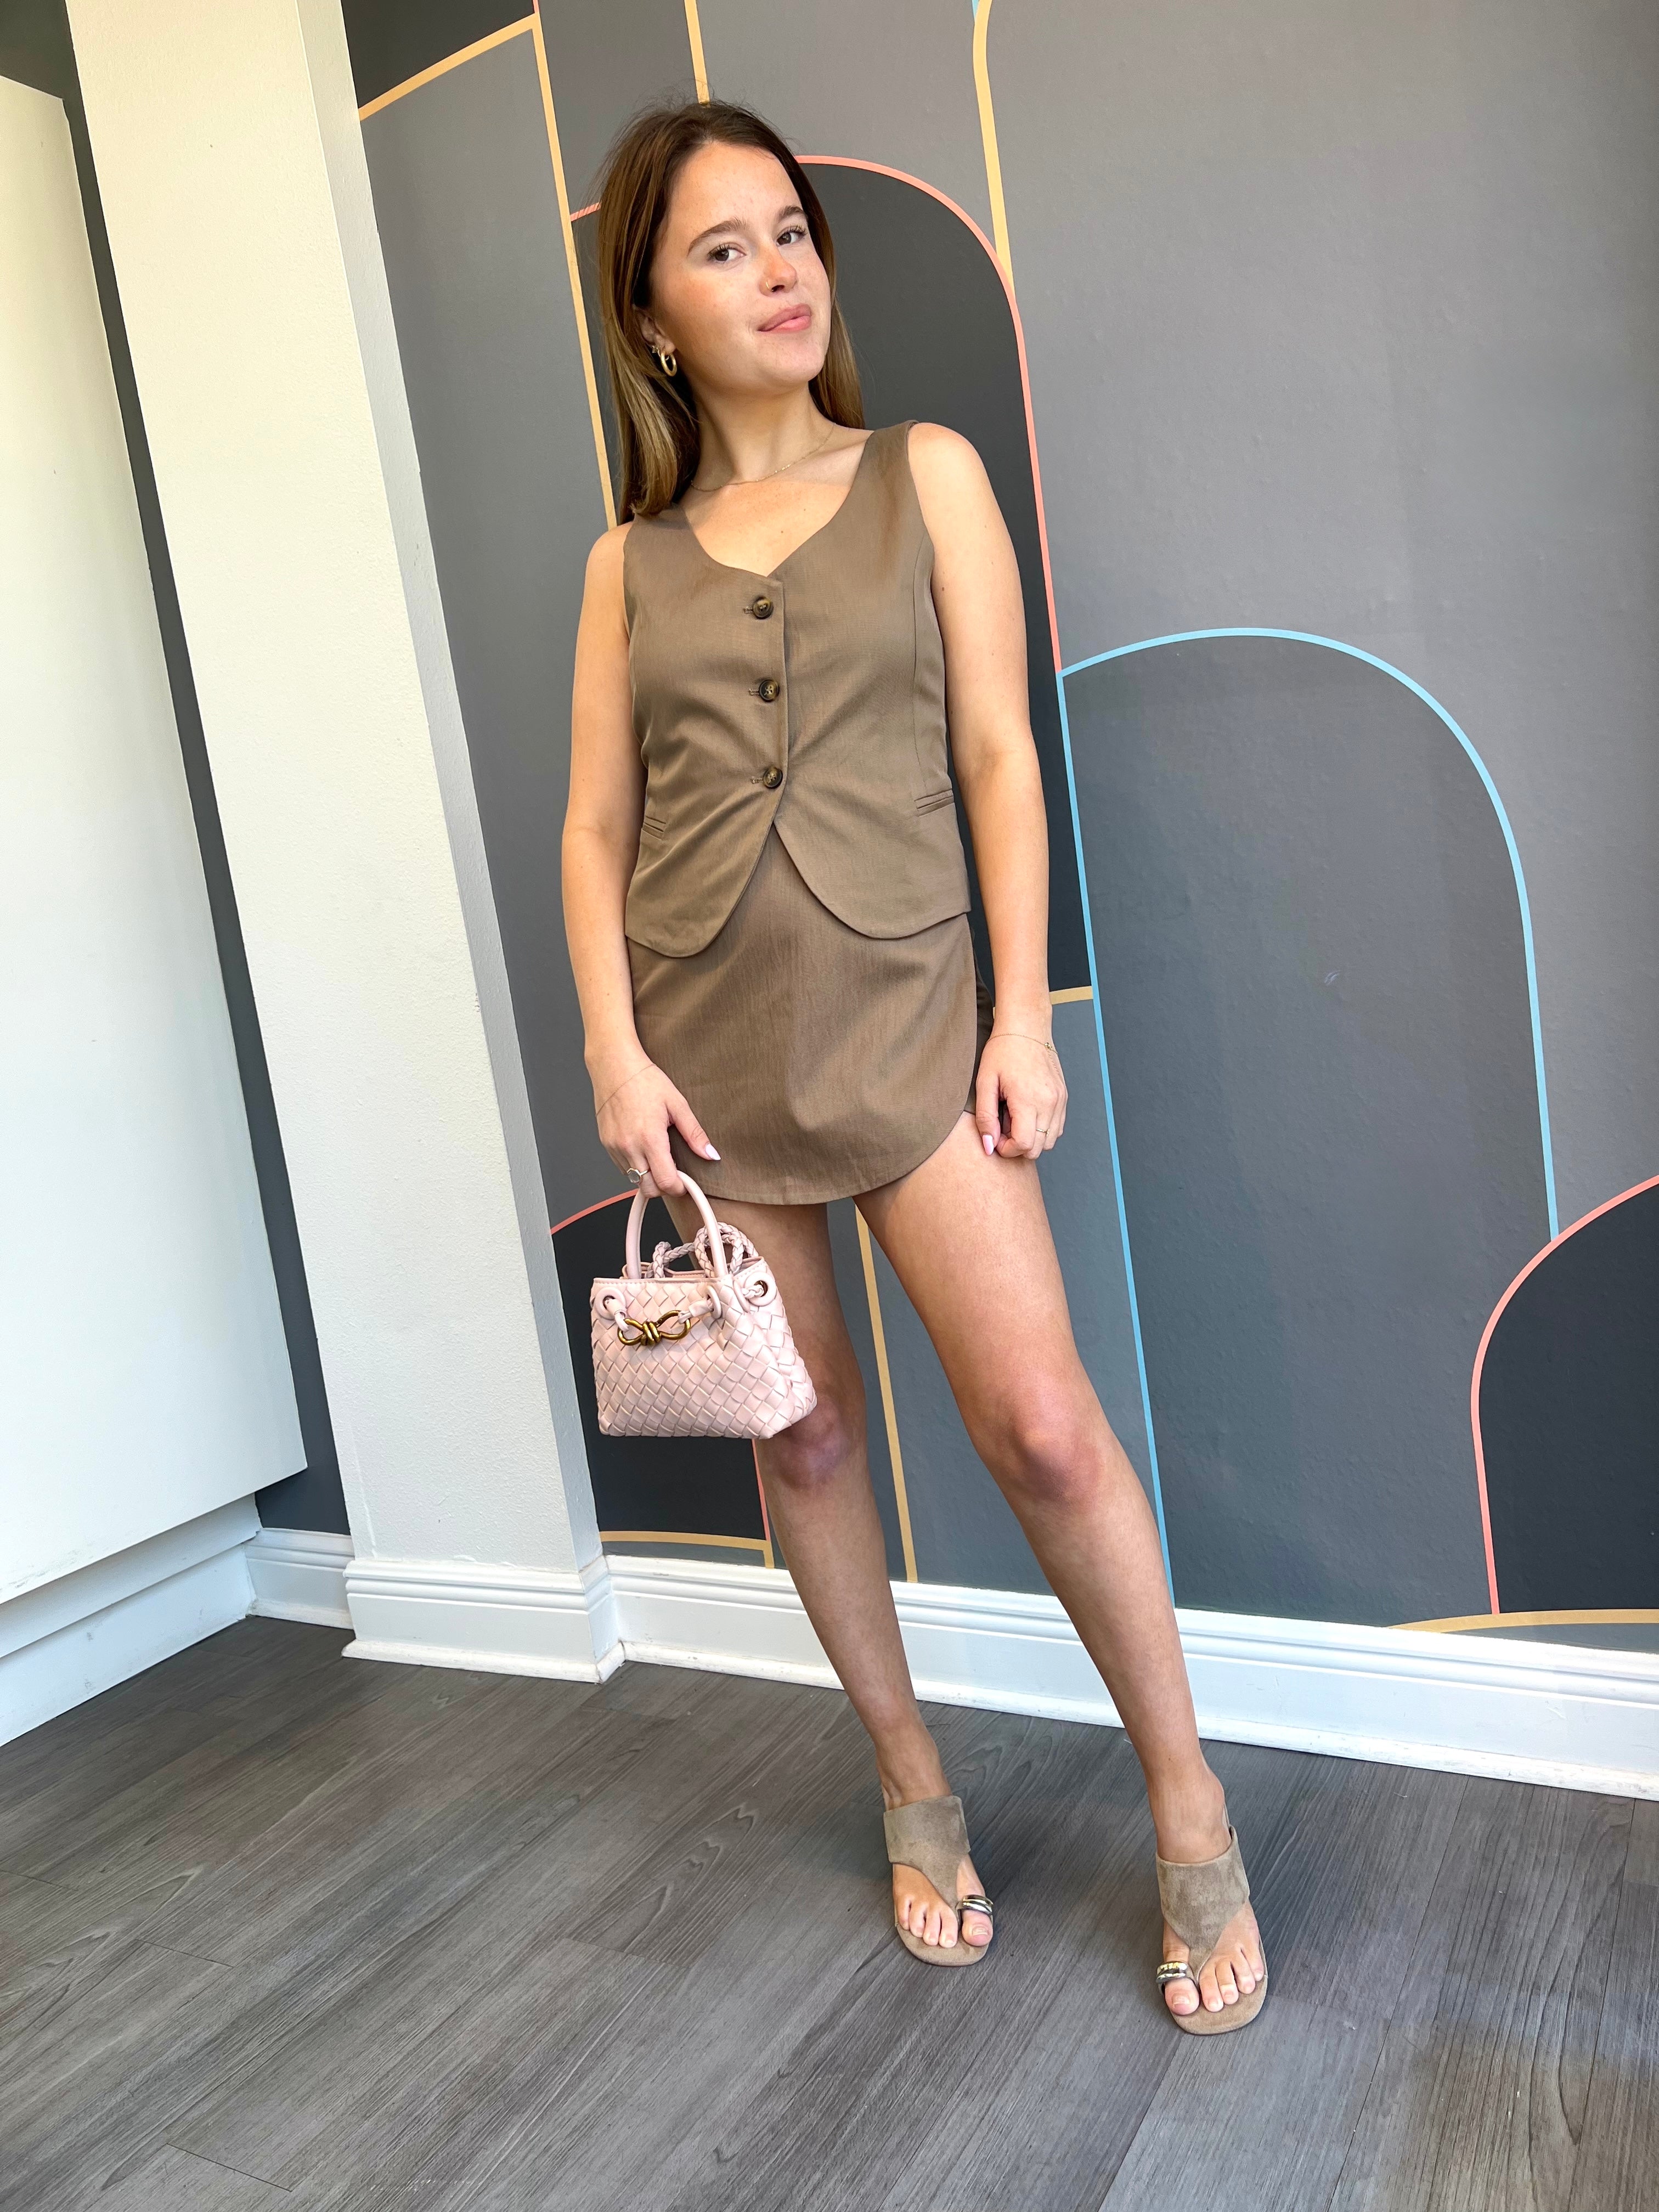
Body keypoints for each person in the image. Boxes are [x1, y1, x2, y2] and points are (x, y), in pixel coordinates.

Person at [561, 97, 1267, 2029]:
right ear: (652, 316)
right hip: (708, 1052)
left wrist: (1020, 1011)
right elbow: (597, 829)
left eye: (790, 231)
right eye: (722, 248)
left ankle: (1189, 1805)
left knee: (1040, 1427)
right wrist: (616, 1049)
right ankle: (909, 1781)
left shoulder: (924, 474)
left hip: (915, 1023)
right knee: (799, 1436)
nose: (778, 271)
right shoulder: (628, 567)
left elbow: (995, 755)